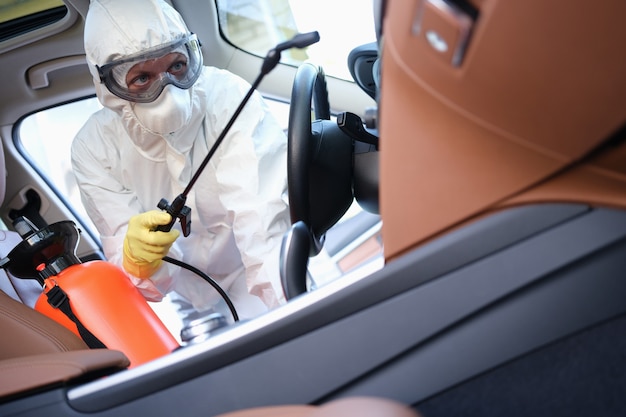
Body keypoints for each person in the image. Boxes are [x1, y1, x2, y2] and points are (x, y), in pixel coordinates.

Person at [71, 0, 291, 323]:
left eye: (176, 66)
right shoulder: (93, 149)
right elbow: (145, 283)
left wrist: (298, 313)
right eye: (142, 77)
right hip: (181, 304)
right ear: (110, 87)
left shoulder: (228, 100)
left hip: (262, 278)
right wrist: (136, 261)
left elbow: (264, 231)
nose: (168, 91)